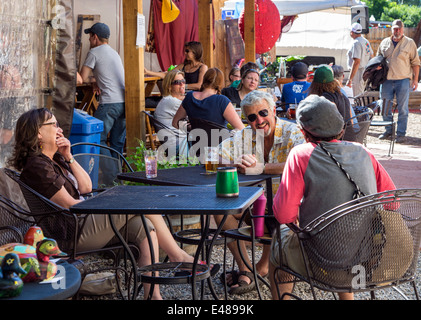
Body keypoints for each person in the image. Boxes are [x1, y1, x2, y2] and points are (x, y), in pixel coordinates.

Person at [7, 108, 215, 300]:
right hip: (71, 232)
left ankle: (153, 296)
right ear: (38, 133)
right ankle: (178, 256)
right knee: (142, 199)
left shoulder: (56, 159)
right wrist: (106, 200)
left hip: (82, 220)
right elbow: (72, 204)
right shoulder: (37, 166)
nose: (59, 129)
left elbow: (87, 187)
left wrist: (69, 156)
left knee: (145, 228)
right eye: (53, 124)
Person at [269, 94, 396, 300]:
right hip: (365, 256)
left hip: (321, 257)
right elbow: (393, 202)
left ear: (303, 132)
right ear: (341, 129)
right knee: (345, 237)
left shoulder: (301, 154)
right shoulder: (363, 151)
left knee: (279, 241)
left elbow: (284, 215)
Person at [216, 90, 304, 295]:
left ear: (273, 110)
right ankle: (246, 267)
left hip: (289, 206)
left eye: (263, 113)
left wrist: (261, 168)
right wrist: (234, 163)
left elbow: (299, 162)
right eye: (252, 117)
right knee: (220, 209)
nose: (259, 120)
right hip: (256, 204)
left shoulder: (292, 132)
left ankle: (264, 266)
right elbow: (214, 157)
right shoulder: (246, 135)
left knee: (282, 211)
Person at [79, 22, 126, 156]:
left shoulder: (94, 52)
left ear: (95, 37)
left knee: (97, 139)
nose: (88, 39)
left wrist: (93, 80)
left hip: (110, 103)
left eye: (90, 36)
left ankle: (109, 174)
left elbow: (82, 78)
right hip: (123, 102)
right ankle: (118, 175)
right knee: (117, 142)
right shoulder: (114, 53)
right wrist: (97, 80)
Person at [377, 19, 420, 144]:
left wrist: (415, 80)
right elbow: (378, 58)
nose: (397, 31)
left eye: (399, 29)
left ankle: (401, 134)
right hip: (386, 80)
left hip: (403, 80)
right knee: (384, 106)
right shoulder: (384, 42)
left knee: (403, 109)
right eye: (395, 28)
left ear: (403, 29)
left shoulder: (409, 43)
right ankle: (388, 130)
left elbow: (416, 63)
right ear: (392, 29)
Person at [172, 67, 244, 131]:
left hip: (195, 144)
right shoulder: (222, 101)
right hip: (219, 144)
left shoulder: (189, 97)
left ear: (204, 79)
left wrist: (192, 129)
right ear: (220, 83)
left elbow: (175, 123)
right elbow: (241, 129)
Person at [153, 70, 188, 158]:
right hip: (179, 145)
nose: (182, 84)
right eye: (177, 82)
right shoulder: (171, 102)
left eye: (183, 81)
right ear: (169, 86)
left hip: (178, 142)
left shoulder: (168, 100)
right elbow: (196, 115)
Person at [346, 22, 374, 97]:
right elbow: (372, 56)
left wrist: (350, 79)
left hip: (357, 73)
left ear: (352, 32)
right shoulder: (366, 41)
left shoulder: (356, 43)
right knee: (360, 96)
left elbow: (356, 62)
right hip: (364, 72)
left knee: (356, 98)